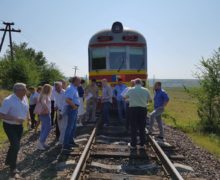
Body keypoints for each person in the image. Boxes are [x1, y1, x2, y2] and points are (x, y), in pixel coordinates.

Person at [0, 83, 29, 178]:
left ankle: (8, 161)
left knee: (14, 145)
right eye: (24, 89)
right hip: (9, 126)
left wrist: (28, 119)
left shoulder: (24, 98)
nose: (26, 91)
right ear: (17, 90)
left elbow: (26, 109)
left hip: (19, 126)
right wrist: (15, 118)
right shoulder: (8, 100)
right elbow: (1, 114)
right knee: (16, 146)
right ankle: (13, 168)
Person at [125, 78, 152, 149]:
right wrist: (145, 103)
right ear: (141, 83)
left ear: (135, 83)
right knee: (142, 127)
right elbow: (150, 100)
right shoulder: (146, 90)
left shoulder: (130, 90)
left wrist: (131, 100)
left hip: (133, 109)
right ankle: (142, 144)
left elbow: (125, 98)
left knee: (133, 127)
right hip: (143, 109)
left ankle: (133, 144)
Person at [63, 76, 81, 151]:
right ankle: (66, 145)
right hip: (72, 108)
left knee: (73, 126)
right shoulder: (71, 88)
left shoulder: (73, 88)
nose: (80, 82)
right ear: (75, 81)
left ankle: (70, 141)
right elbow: (67, 100)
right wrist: (74, 107)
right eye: (79, 81)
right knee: (70, 127)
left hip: (74, 108)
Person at [36, 84, 52, 150]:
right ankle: (40, 143)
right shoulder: (45, 95)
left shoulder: (41, 95)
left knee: (43, 128)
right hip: (45, 113)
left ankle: (42, 142)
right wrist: (47, 109)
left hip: (42, 114)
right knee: (48, 128)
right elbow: (43, 102)